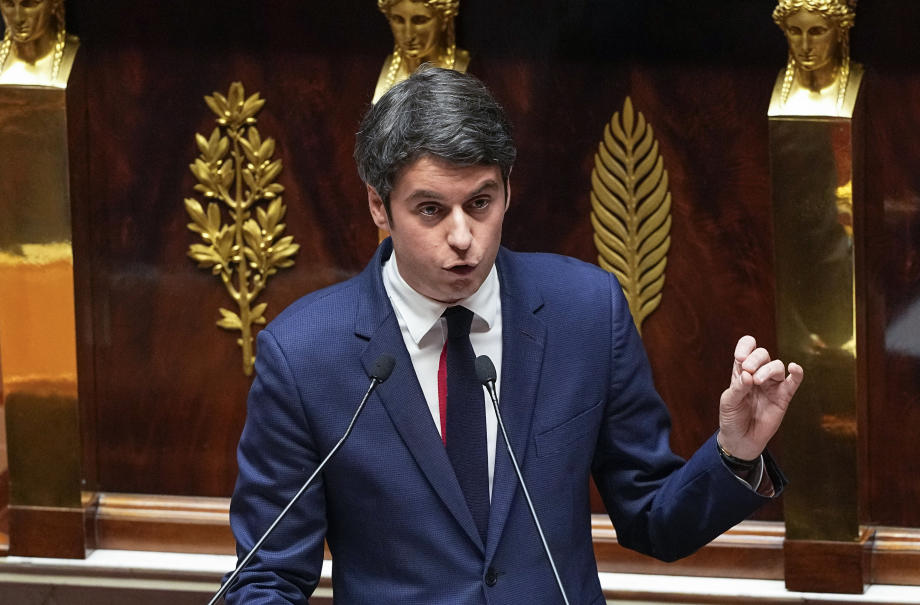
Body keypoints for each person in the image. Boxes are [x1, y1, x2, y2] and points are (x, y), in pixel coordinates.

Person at [227, 67, 804, 604]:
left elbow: (653, 521)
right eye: (430, 210)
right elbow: (267, 572)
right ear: (379, 206)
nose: (462, 237)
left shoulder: (586, 313)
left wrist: (735, 452)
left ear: (508, 190)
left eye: (480, 203)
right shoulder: (304, 354)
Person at [769, 0, 863, 117]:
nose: (805, 46)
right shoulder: (760, 91)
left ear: (841, 31)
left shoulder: (870, 88)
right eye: (795, 31)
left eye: (817, 32)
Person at [372, 0, 469, 102]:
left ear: (444, 19)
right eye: (398, 20)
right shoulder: (372, 70)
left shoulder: (470, 69)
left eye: (420, 20)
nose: (408, 35)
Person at [0, 0, 79, 87]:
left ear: (55, 3)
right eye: (8, 4)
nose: (18, 18)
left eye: (29, 4)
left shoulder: (79, 58)